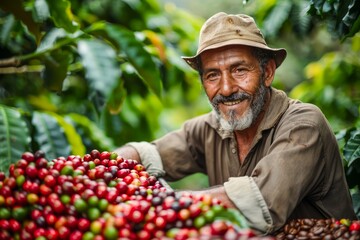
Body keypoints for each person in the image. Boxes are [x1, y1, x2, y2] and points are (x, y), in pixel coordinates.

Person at [114, 12, 357, 234]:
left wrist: (157, 205)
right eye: (212, 76)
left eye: (239, 70)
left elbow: (260, 201)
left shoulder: (303, 125)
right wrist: (97, 168)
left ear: (268, 72)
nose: (227, 88)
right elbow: (148, 154)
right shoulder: (211, 128)